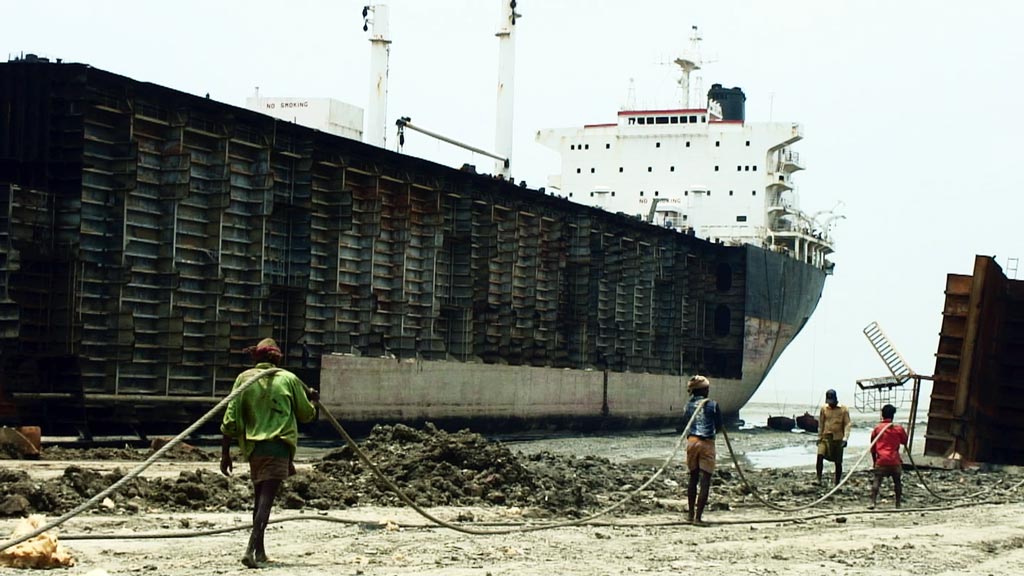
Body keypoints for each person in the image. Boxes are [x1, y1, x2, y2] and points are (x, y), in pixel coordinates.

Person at [220, 338, 319, 569]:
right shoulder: (288, 379)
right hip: (278, 447)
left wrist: (225, 454)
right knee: (266, 501)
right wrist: (313, 402)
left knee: (259, 499)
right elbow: (306, 415)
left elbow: (229, 420)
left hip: (253, 449)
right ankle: (250, 550)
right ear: (277, 358)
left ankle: (260, 550)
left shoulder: (243, 379)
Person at [680, 374, 723, 525]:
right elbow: (719, 426)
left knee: (693, 478)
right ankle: (698, 518)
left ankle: (690, 515)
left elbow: (685, 423)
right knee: (705, 480)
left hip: (692, 442)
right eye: (707, 389)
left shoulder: (688, 405)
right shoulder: (713, 404)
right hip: (706, 443)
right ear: (704, 390)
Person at [870, 404, 909, 508]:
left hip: (881, 460)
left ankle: (873, 502)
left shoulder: (877, 429)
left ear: (882, 415)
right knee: (897, 482)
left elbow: (872, 448)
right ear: (893, 416)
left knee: (877, 480)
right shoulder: (898, 428)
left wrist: (875, 462)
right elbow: (905, 441)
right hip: (894, 461)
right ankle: (898, 503)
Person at [816, 389, 851, 485]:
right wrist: (819, 437)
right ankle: (818, 479)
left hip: (838, 438)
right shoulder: (824, 409)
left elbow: (847, 424)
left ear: (836, 399)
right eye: (828, 402)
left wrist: (845, 438)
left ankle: (837, 482)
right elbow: (821, 423)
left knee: (838, 462)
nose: (830, 404)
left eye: (832, 401)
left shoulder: (843, 409)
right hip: (825, 437)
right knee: (820, 455)